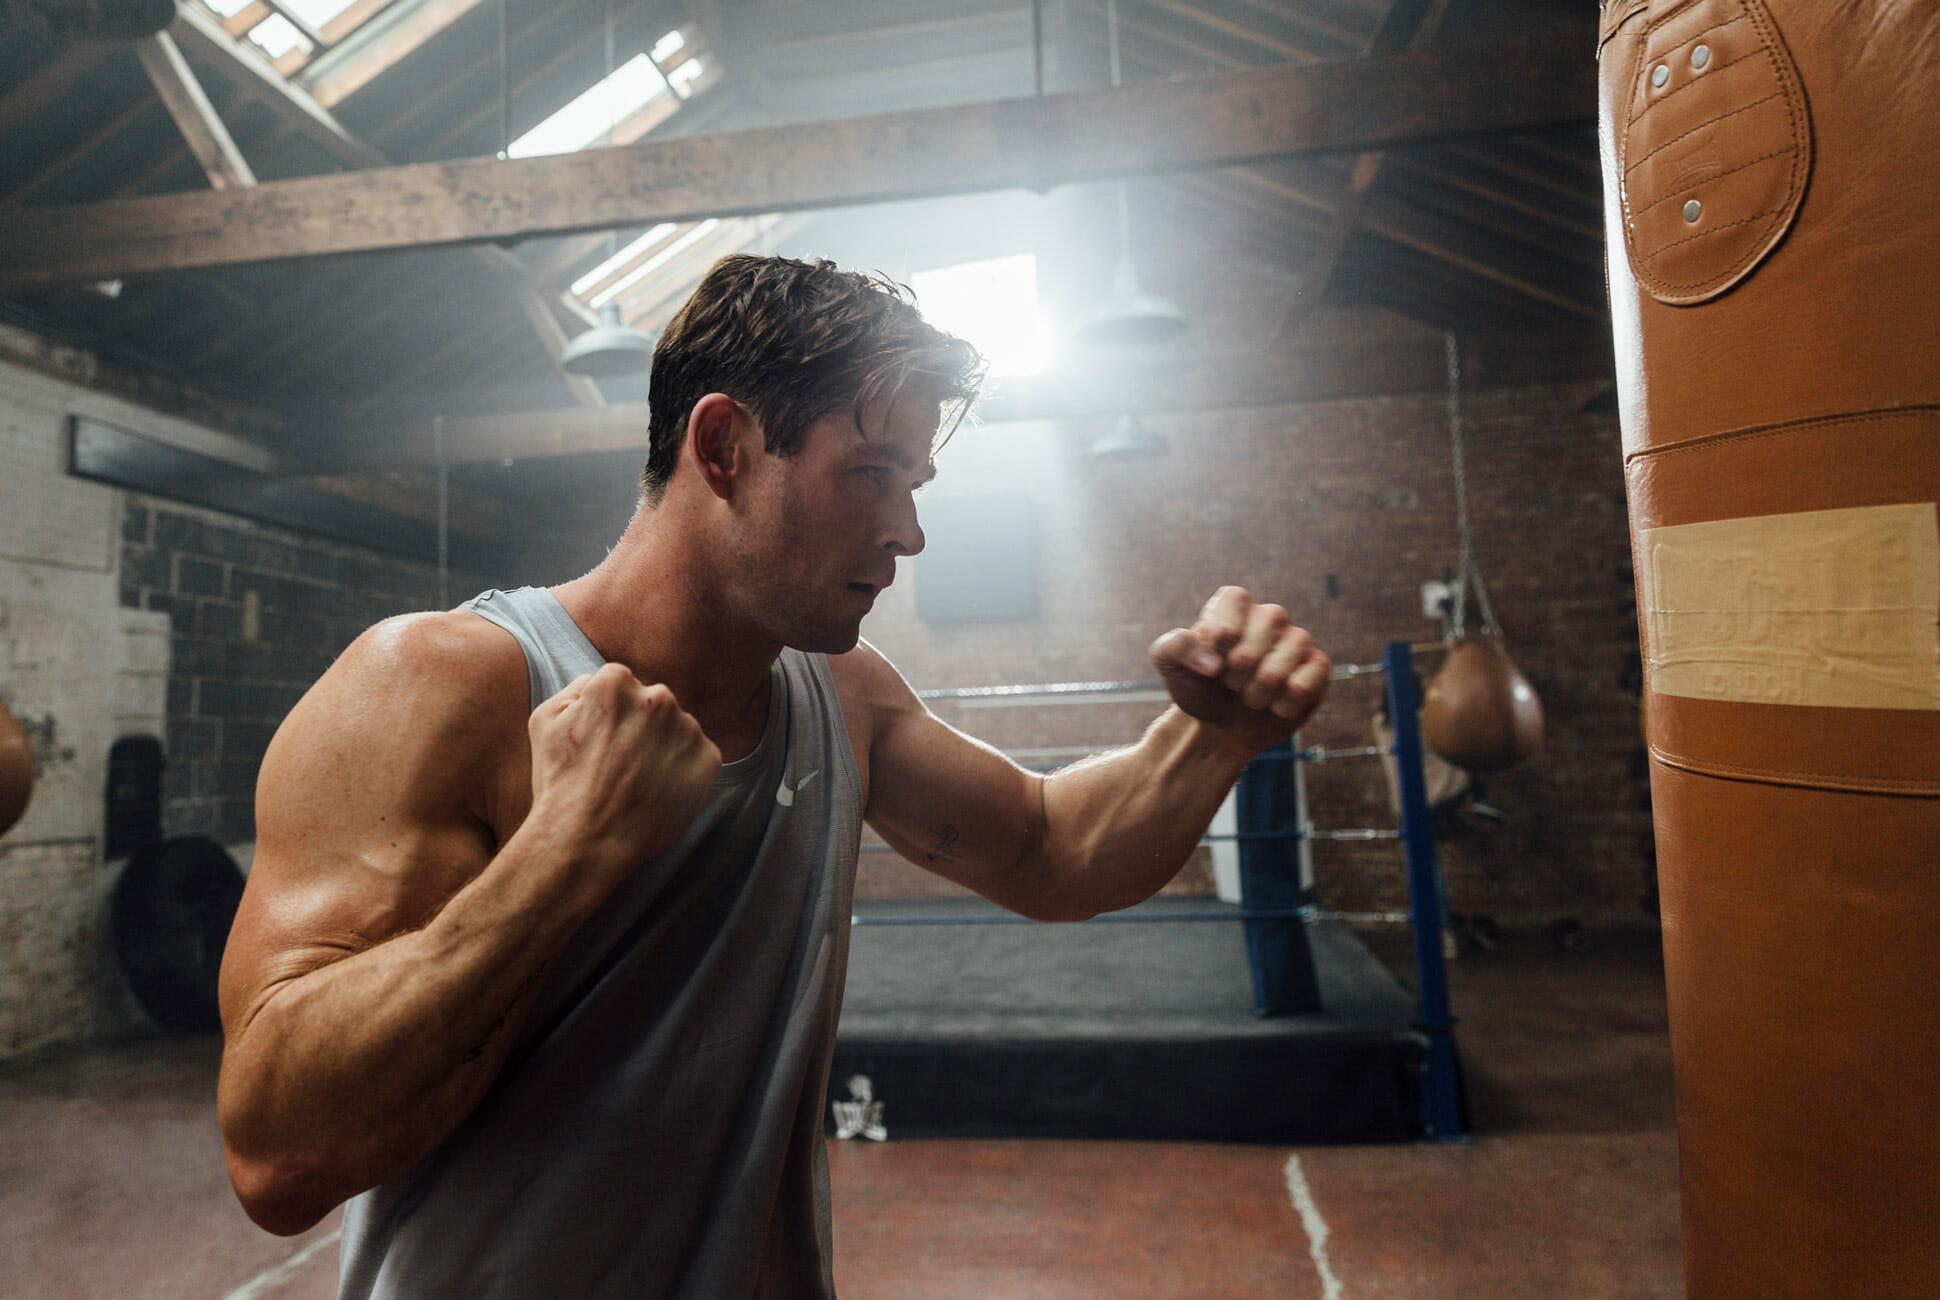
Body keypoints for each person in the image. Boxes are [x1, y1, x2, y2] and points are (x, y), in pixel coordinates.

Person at [215, 254, 1331, 1298]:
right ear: (722, 448)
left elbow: (1051, 850)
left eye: (915, 481)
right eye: (871, 474)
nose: (907, 530)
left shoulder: (836, 694)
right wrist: (562, 854)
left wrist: (1212, 738)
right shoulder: (439, 682)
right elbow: (278, 1158)